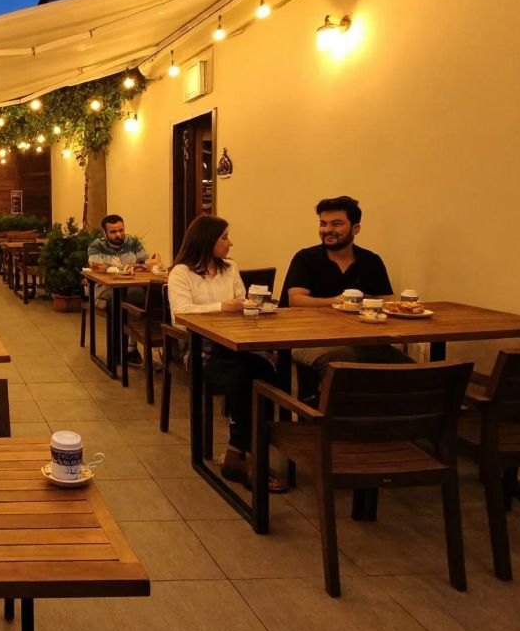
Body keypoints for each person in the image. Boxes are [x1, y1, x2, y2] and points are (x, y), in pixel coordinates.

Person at [165, 216, 284, 492]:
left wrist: (253, 306)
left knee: (267, 373)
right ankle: (250, 456)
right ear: (207, 240)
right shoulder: (181, 273)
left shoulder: (230, 268)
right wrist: (222, 307)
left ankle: (238, 450)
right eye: (224, 238)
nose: (230, 243)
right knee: (244, 378)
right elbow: (179, 314)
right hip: (200, 350)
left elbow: (242, 302)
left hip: (235, 344)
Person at [280, 196, 412, 402]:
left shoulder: (371, 260)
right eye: (323, 224)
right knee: (343, 360)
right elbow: (296, 300)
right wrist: (340, 302)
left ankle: (396, 423)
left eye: (337, 223)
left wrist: (368, 303)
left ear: (355, 228)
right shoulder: (306, 258)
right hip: (309, 338)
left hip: (364, 339)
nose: (327, 229)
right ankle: (332, 422)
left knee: (409, 370)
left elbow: (387, 300)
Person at [86, 213, 162, 366]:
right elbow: (98, 268)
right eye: (113, 232)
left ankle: (136, 347)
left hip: (132, 289)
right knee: (119, 301)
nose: (118, 235)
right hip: (104, 290)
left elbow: (146, 263)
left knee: (152, 298)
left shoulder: (133, 242)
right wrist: (135, 267)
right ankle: (118, 353)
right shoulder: (96, 246)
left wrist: (143, 265)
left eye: (121, 230)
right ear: (104, 233)